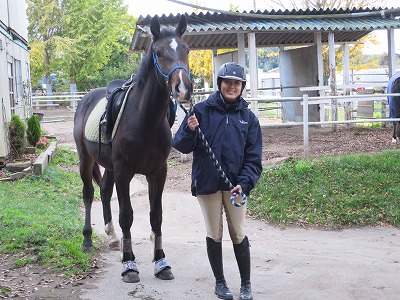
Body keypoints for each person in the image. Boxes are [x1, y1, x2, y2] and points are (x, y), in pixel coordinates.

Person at [173, 62, 263, 300]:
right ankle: (220, 282)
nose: (231, 87)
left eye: (236, 83)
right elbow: (180, 144)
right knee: (214, 233)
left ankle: (246, 284)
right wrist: (190, 130)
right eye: (227, 82)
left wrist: (245, 183)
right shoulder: (201, 111)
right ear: (220, 84)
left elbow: (254, 158)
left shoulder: (249, 119)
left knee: (239, 233)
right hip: (208, 184)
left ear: (242, 87)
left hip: (236, 187)